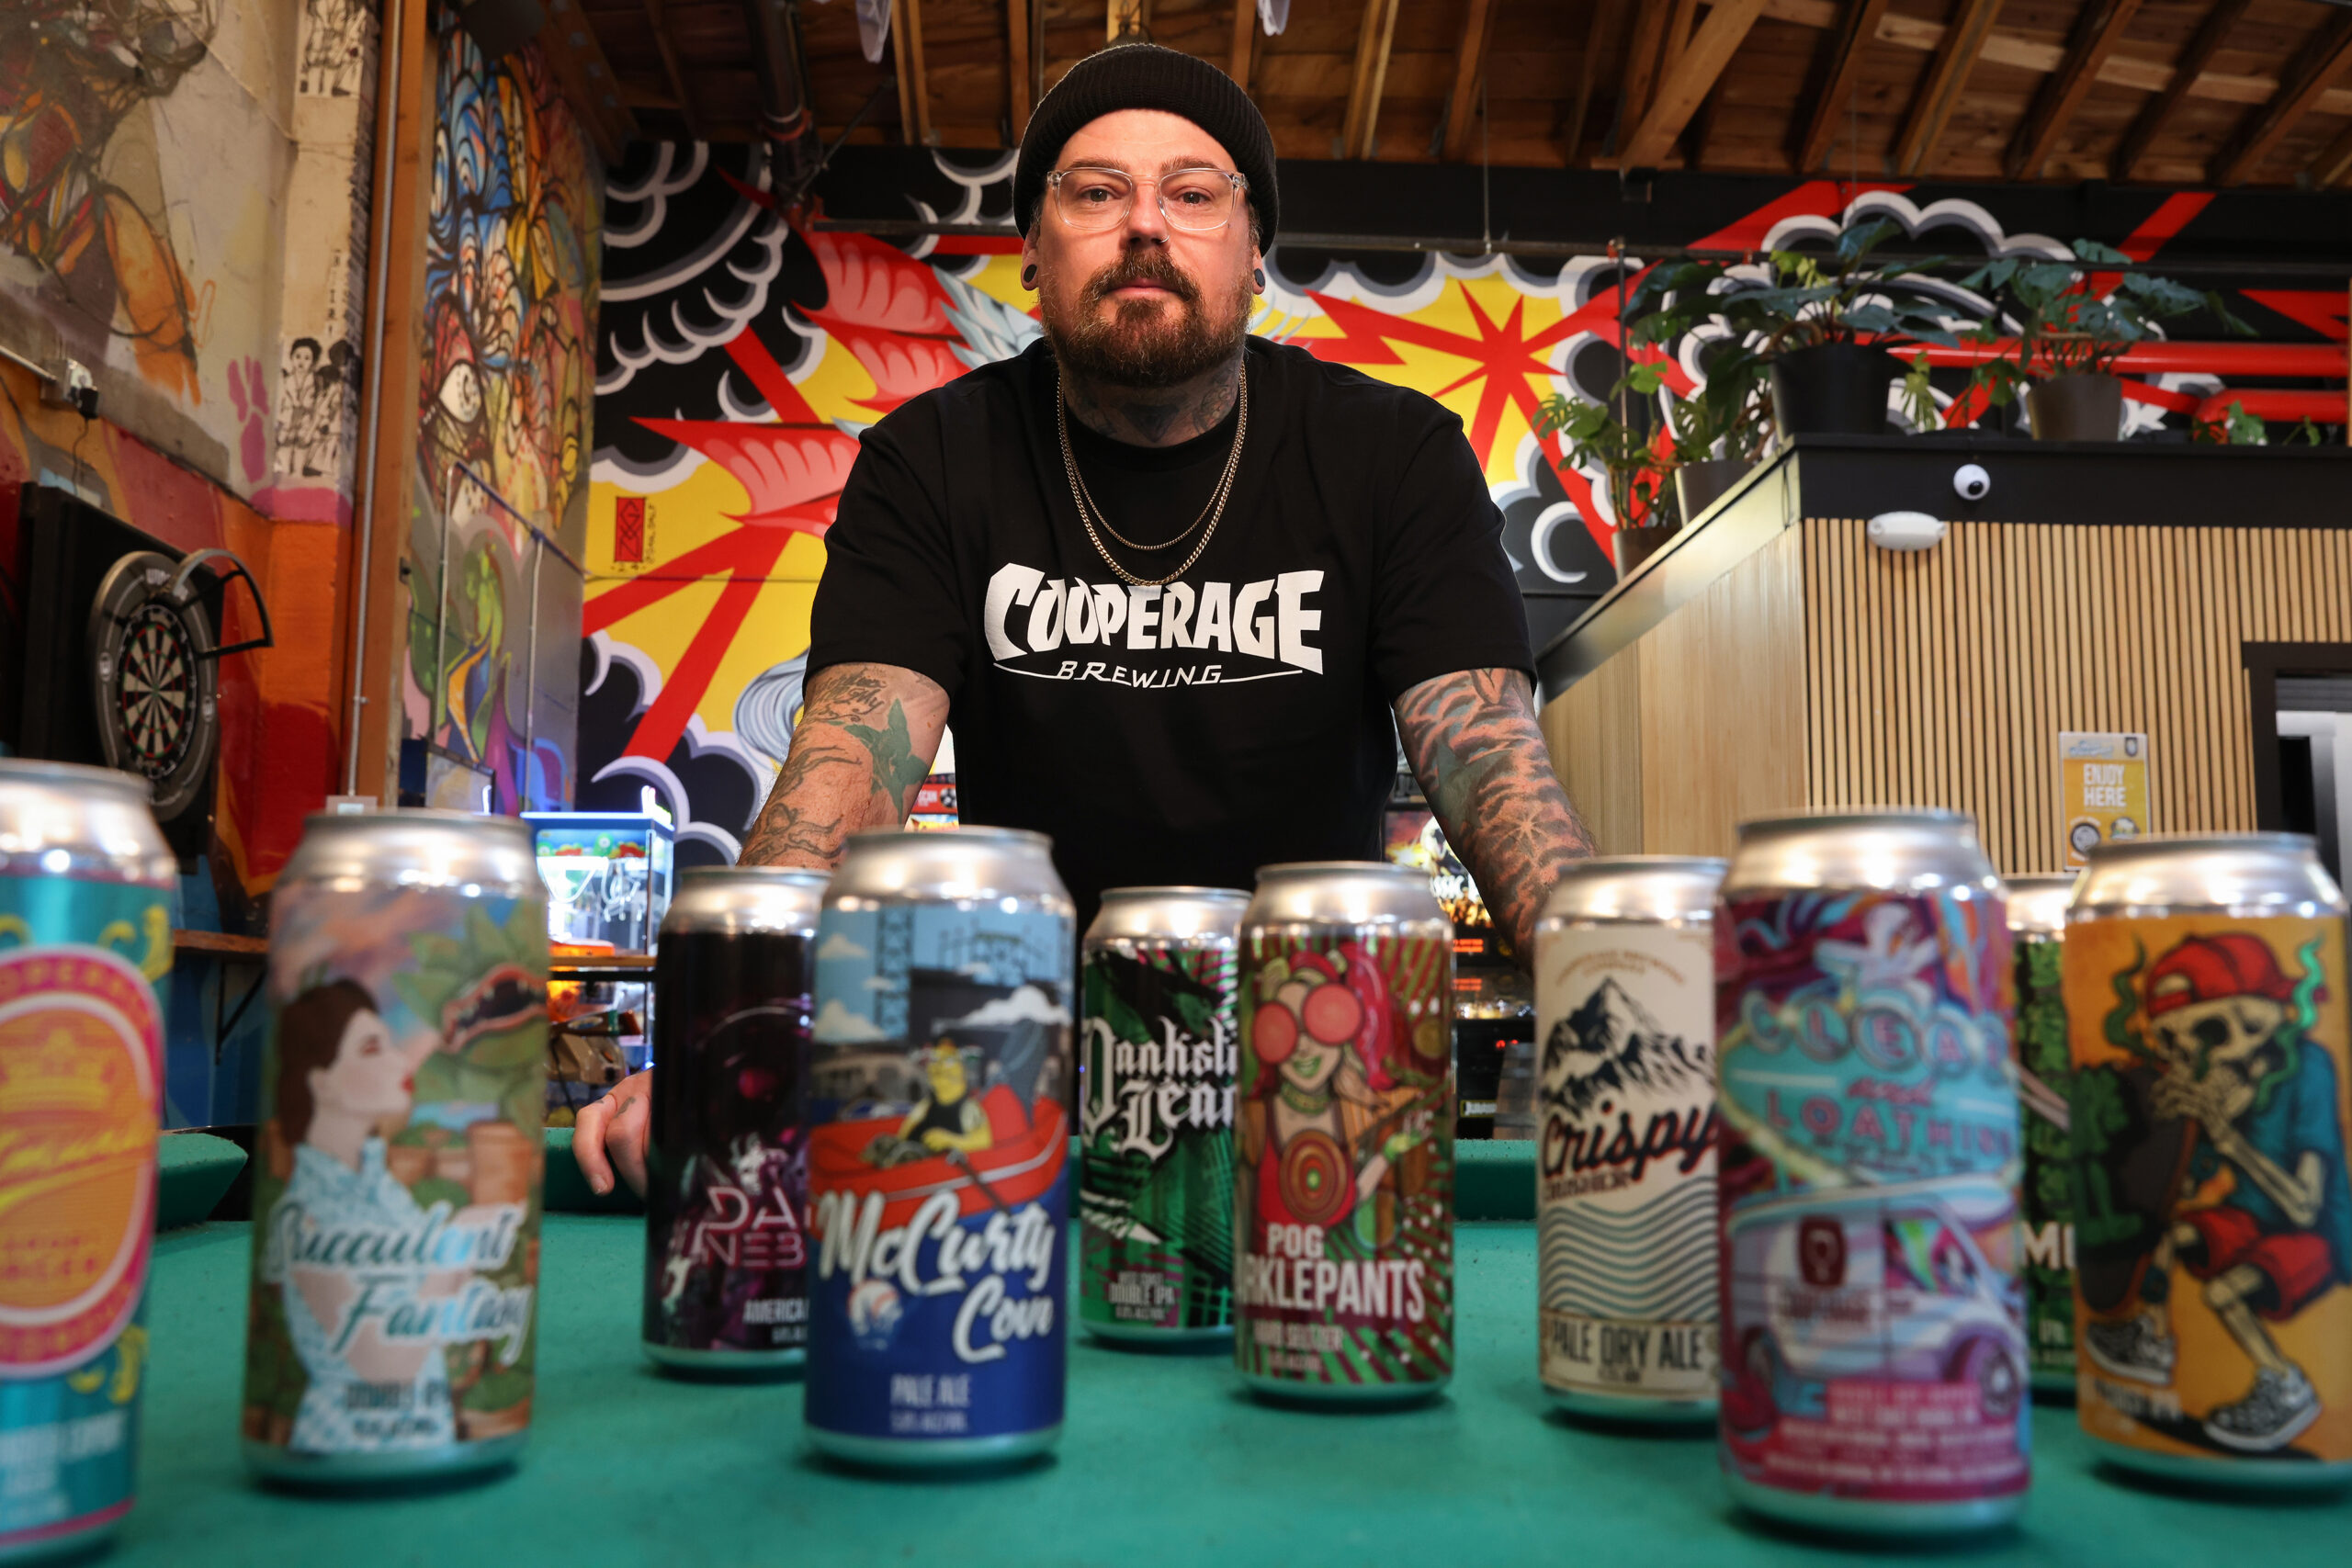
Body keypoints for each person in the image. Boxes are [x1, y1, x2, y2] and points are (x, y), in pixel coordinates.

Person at [576, 42, 1591, 1199]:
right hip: (1023, 1092)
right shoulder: (932, 462)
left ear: (1253, 252)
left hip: (1318, 1080)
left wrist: (1630, 999)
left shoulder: (1392, 457)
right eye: (1096, 192)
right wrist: (733, 1037)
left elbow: (1489, 761)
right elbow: (848, 767)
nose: (1144, 226)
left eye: (1194, 194)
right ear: (1034, 253)